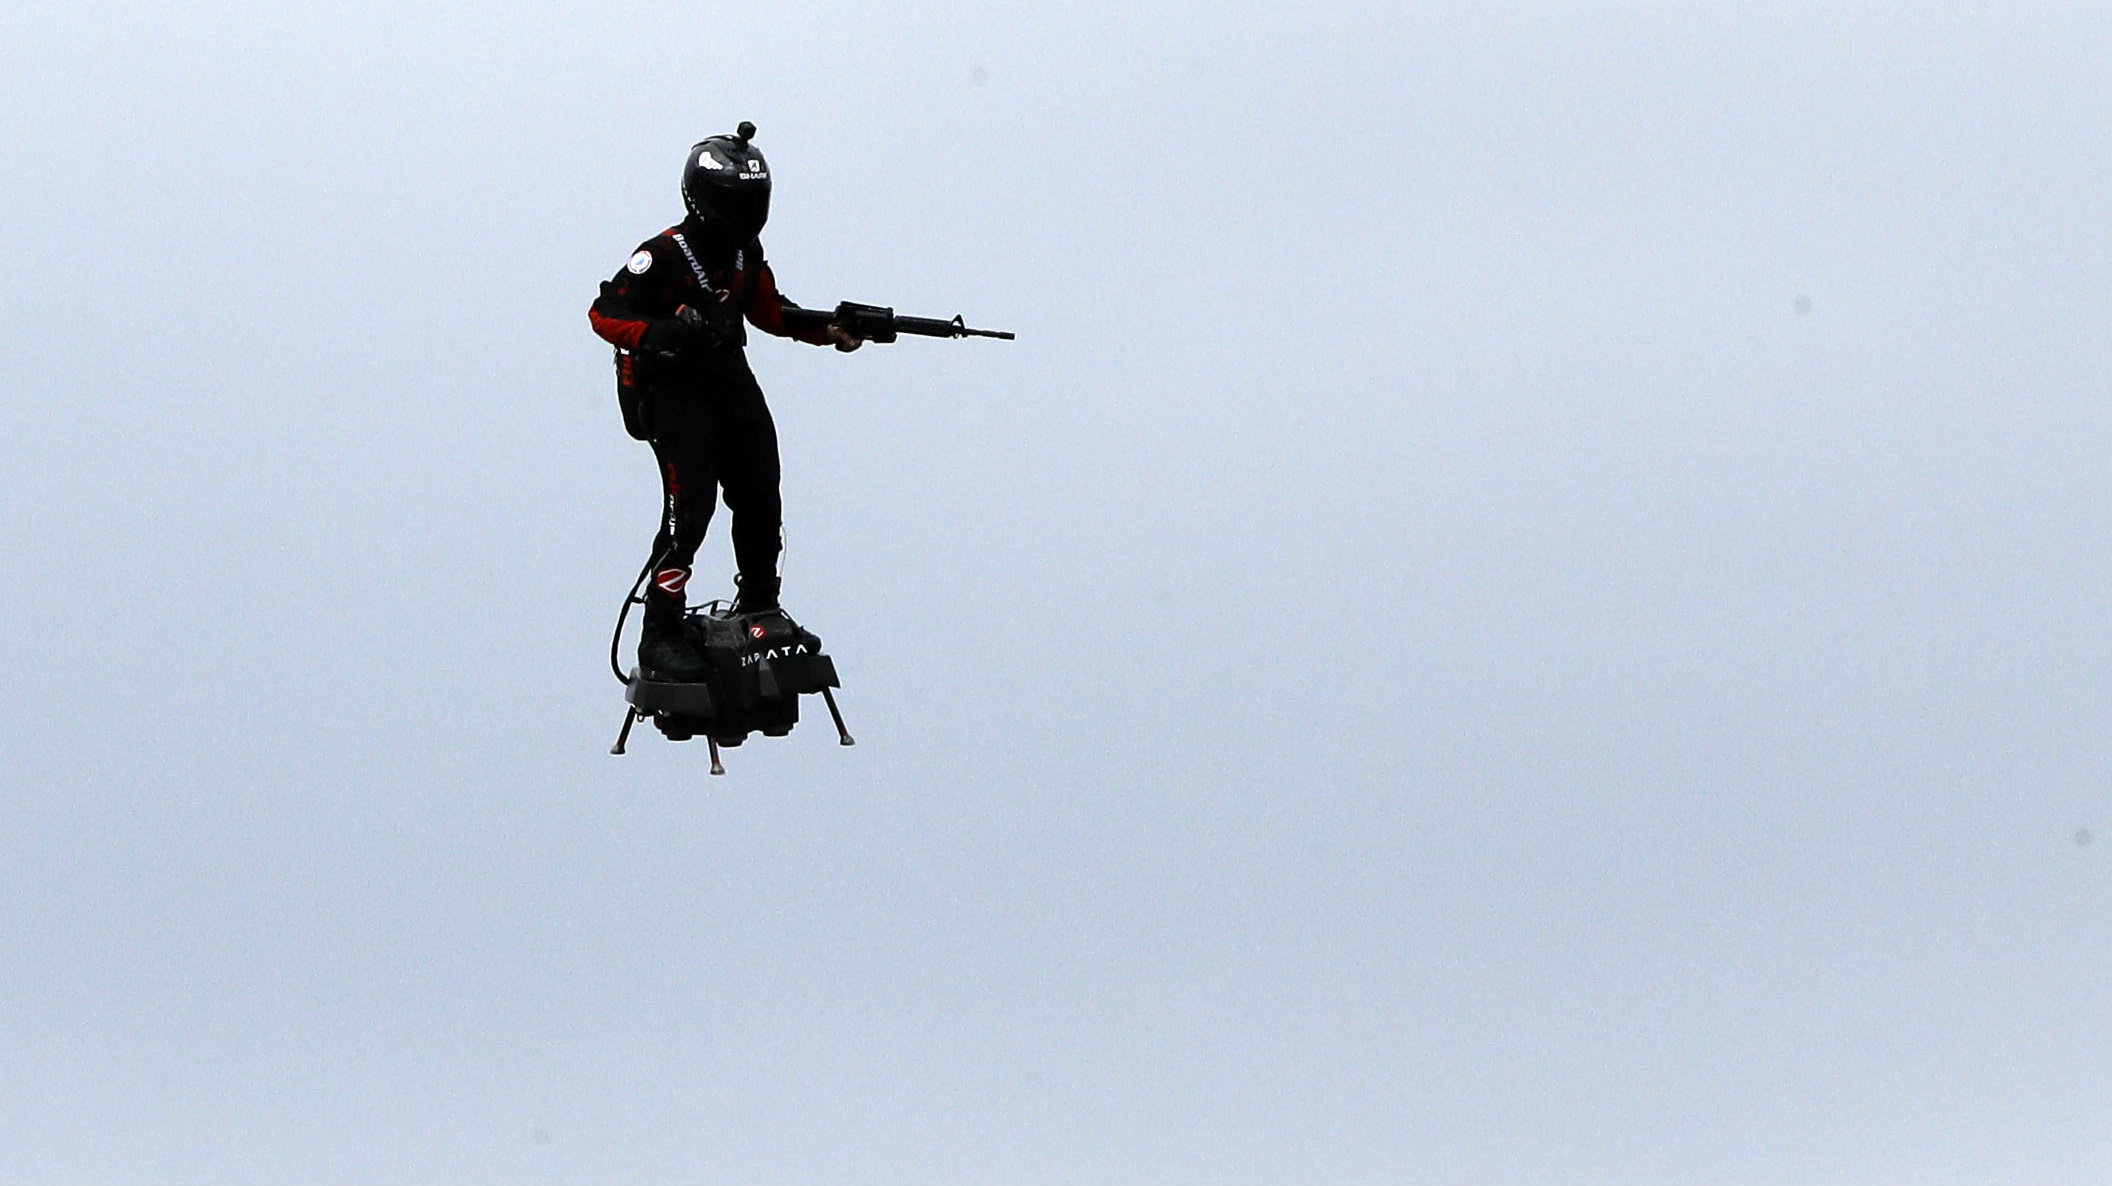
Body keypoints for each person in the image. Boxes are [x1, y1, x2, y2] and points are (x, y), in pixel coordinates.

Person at [589, 122, 859, 681]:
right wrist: (663, 334)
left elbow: (770, 311)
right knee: (690, 513)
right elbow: (605, 314)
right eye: (736, 202)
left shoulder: (744, 252)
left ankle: (760, 605)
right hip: (674, 393)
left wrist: (830, 329)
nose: (746, 214)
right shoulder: (661, 253)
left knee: (761, 490)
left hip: (729, 382)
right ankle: (659, 632)